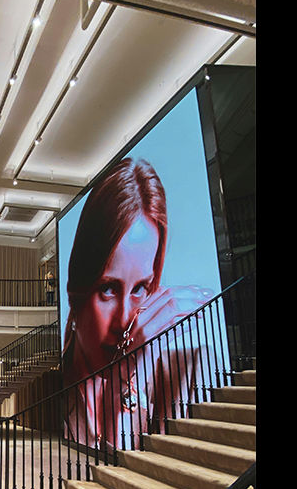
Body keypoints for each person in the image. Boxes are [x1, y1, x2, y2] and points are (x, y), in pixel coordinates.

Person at [62, 158, 213, 449]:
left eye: (140, 289)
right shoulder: (56, 391)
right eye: (107, 289)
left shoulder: (186, 374)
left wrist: (132, 372)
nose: (124, 320)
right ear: (77, 291)